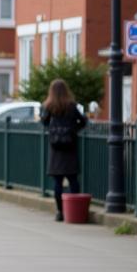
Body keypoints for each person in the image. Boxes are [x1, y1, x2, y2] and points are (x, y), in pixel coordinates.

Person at [40, 78, 87, 221]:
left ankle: (60, 211)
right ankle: (74, 211)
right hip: (70, 146)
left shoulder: (49, 106)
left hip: (56, 148)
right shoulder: (71, 106)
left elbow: (44, 122)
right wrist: (73, 130)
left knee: (57, 182)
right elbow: (83, 121)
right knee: (73, 180)